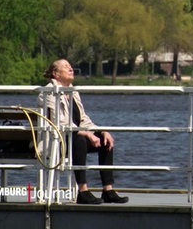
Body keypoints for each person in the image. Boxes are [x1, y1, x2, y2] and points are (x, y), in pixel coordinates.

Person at [38, 59, 128, 204]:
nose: (70, 68)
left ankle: (108, 190)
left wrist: (101, 131)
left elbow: (83, 119)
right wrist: (86, 134)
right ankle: (83, 191)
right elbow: (58, 122)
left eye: (70, 66)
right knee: (79, 141)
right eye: (66, 67)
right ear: (56, 74)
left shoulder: (73, 91)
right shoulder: (48, 92)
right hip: (56, 140)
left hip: (74, 134)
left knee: (105, 140)